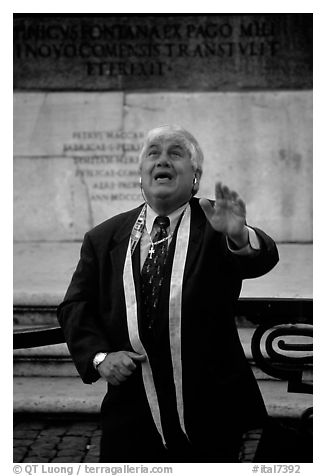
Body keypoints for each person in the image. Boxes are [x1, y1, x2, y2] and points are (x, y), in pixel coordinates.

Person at [57, 125, 279, 463]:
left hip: (208, 409)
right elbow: (75, 306)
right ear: (141, 175)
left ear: (195, 177)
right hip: (131, 408)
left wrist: (238, 236)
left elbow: (261, 259)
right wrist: (100, 357)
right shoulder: (103, 238)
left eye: (175, 153)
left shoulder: (216, 226)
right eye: (153, 153)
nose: (163, 160)